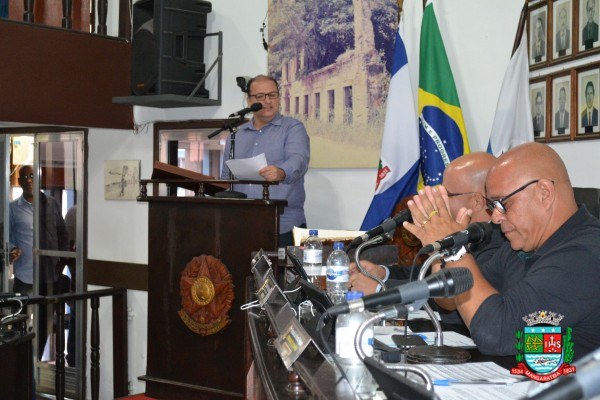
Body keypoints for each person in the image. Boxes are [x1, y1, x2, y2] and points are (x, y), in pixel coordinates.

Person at [403, 142, 600, 360]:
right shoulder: (517, 247)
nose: (495, 217)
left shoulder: (587, 254)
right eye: (492, 206)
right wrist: (443, 251)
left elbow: (496, 334)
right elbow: (451, 305)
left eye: (503, 203)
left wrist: (455, 252)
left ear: (544, 193)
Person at [348, 152, 502, 295]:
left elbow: (453, 296)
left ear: (476, 202)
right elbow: (424, 275)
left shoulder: (498, 243)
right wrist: (382, 274)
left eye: (446, 194)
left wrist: (380, 288)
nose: (438, 200)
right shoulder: (469, 232)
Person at [220, 75, 310, 247]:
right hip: (241, 226)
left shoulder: (292, 128)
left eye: (272, 95)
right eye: (260, 96)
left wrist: (281, 172)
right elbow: (226, 179)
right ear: (249, 101)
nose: (268, 101)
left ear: (279, 97)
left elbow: (299, 160)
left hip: (283, 227)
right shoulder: (236, 136)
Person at [9, 165, 70, 355]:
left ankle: (34, 360)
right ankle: (20, 364)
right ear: (19, 182)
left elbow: (63, 234)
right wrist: (12, 249)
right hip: (24, 277)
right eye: (24, 177)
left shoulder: (52, 204)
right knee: (19, 325)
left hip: (48, 276)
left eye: (32, 176)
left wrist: (61, 261)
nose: (28, 180)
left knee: (44, 325)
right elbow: (7, 237)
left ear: (38, 179)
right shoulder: (13, 208)